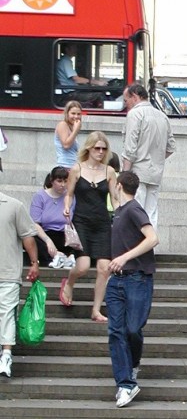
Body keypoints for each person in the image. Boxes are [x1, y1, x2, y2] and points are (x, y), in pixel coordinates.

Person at [105, 170, 159, 408]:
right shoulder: (119, 212)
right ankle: (125, 384)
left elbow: (152, 238)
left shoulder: (134, 209)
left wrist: (124, 257)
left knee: (132, 329)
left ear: (118, 186)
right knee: (116, 331)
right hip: (117, 279)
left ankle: (132, 366)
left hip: (137, 278)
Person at [61, 131, 118, 322]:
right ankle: (69, 282)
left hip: (102, 222)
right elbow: (69, 193)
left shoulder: (109, 171)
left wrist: (121, 213)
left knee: (104, 268)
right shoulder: (77, 169)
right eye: (97, 148)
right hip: (82, 221)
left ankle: (96, 310)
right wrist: (67, 207)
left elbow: (114, 198)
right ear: (89, 148)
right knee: (83, 265)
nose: (100, 152)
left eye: (104, 148)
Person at [121, 82, 176, 229]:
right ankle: (150, 247)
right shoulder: (162, 116)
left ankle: (136, 247)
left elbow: (130, 149)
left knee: (134, 211)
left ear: (134, 96)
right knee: (151, 213)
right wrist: (156, 159)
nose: (126, 105)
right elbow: (171, 147)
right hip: (156, 172)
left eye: (126, 100)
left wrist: (125, 174)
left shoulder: (135, 114)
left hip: (137, 171)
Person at [0, 190, 40, 378]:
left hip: (8, 271)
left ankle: (6, 355)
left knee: (7, 314)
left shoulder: (14, 205)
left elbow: (27, 236)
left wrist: (34, 263)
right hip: (8, 271)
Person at [30, 166, 78, 267]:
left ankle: (65, 257)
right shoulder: (40, 196)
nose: (63, 185)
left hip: (64, 234)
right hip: (45, 234)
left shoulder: (70, 197)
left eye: (65, 181)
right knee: (29, 238)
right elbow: (35, 223)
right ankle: (57, 256)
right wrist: (48, 240)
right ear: (52, 181)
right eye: (59, 181)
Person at [55, 42, 106, 107]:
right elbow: (76, 79)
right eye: (73, 47)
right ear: (67, 49)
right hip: (70, 93)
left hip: (72, 91)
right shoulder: (65, 62)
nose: (76, 50)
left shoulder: (65, 61)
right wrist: (97, 82)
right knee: (99, 95)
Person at [54, 100, 82, 166]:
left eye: (78, 114)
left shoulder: (72, 128)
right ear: (67, 113)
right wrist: (75, 130)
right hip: (64, 166)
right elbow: (66, 145)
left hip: (73, 165)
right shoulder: (62, 125)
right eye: (73, 113)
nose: (76, 117)